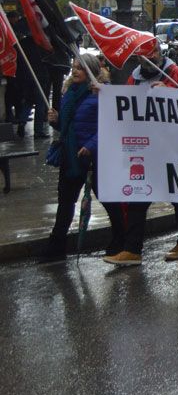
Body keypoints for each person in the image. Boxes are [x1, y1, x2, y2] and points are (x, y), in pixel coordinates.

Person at [126, 46, 178, 262]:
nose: (150, 57)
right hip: (148, 149)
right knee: (138, 196)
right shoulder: (134, 80)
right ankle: (132, 249)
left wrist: (171, 93)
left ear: (160, 53)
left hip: (176, 147)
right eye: (144, 54)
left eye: (153, 52)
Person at [38, 55, 105, 263]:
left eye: (80, 68)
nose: (75, 71)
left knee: (109, 201)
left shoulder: (100, 94)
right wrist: (56, 121)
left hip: (93, 159)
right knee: (65, 203)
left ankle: (122, 241)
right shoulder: (68, 93)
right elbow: (67, 127)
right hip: (70, 156)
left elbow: (107, 126)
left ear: (91, 72)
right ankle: (56, 246)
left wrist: (90, 146)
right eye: (74, 67)